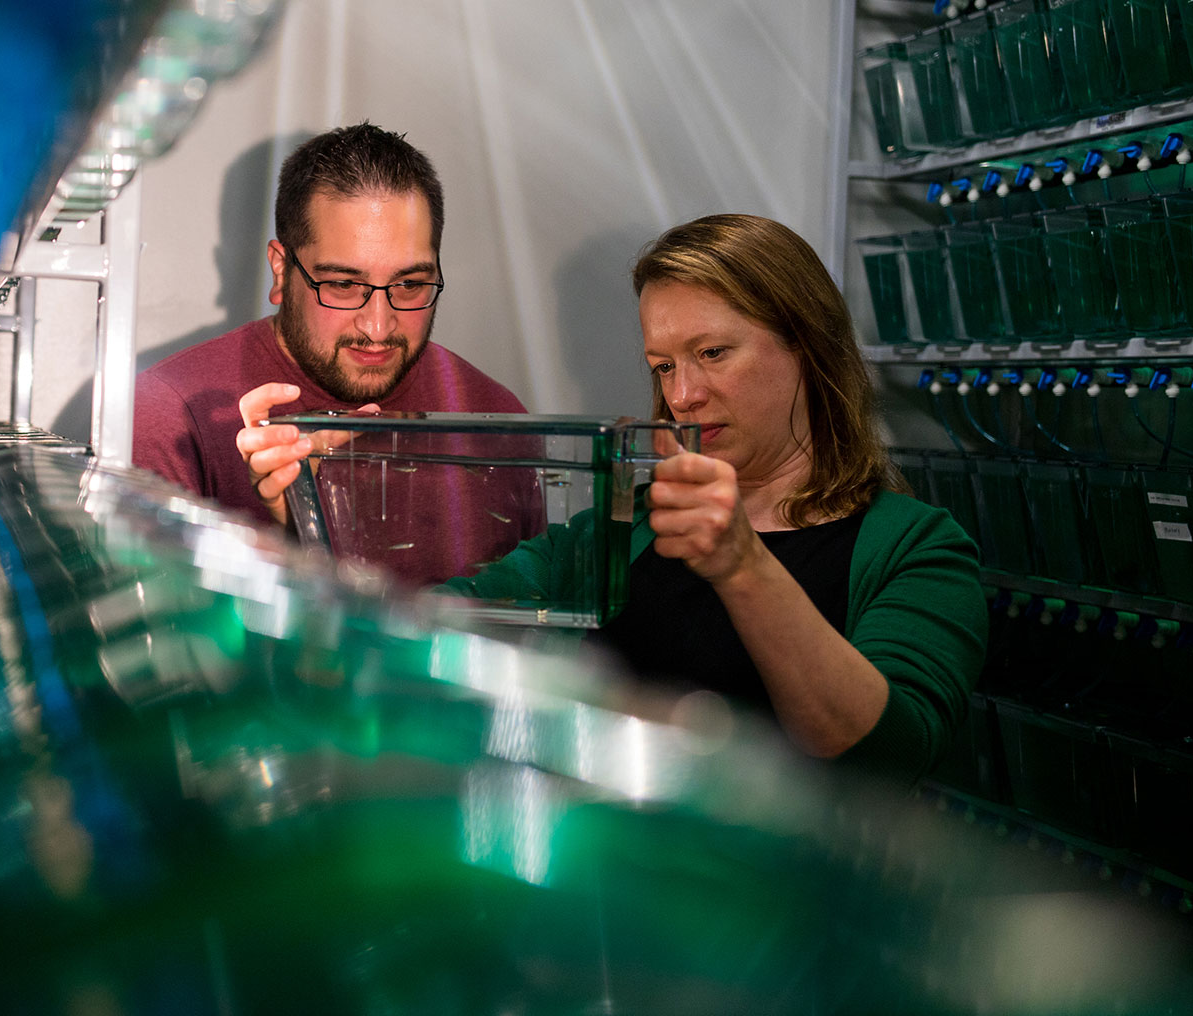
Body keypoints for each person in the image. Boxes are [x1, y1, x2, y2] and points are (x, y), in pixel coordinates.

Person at [443, 215, 984, 780]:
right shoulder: (623, 528)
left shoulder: (919, 550)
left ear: (807, 345)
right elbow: (451, 613)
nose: (682, 395)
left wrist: (744, 565)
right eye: (664, 366)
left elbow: (887, 753)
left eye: (713, 352)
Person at [134, 122, 540, 585]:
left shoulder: (496, 417)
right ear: (282, 271)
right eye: (344, 285)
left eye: (409, 285)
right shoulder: (172, 417)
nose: (378, 325)